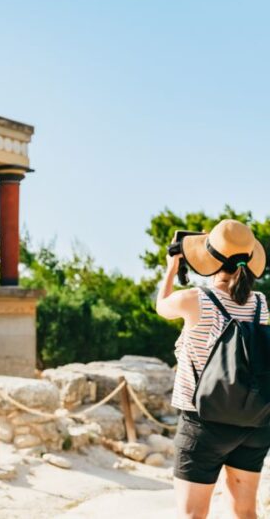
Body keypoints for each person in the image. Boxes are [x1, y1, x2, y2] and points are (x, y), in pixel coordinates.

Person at [156, 219, 269, 519]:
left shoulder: (195, 299)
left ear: (211, 258)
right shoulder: (260, 303)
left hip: (203, 422)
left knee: (193, 514)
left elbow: (161, 306)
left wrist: (172, 266)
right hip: (255, 423)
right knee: (245, 512)